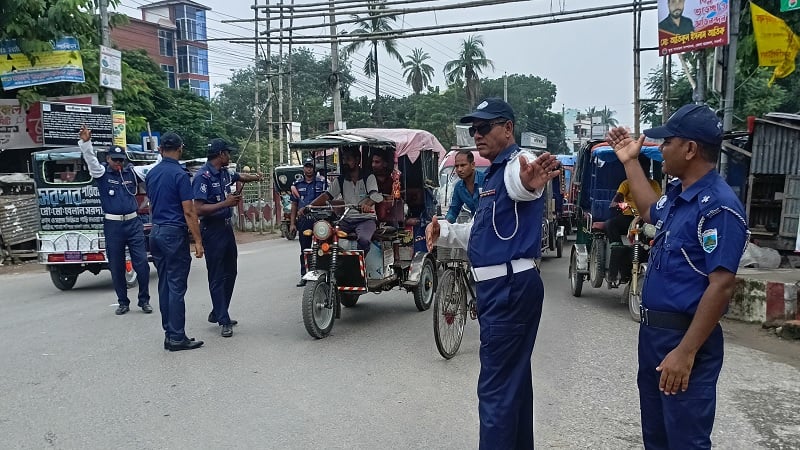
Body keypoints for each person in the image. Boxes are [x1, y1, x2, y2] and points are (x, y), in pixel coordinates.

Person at [606, 104, 749, 448]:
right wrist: (629, 161)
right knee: (656, 438)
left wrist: (686, 352)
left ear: (690, 149)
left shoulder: (718, 207)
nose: (662, 148)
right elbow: (648, 209)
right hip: (655, 338)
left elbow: (722, 284)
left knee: (685, 441)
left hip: (685, 341)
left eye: (668, 141)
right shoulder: (680, 196)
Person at [425, 98, 561, 448]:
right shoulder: (493, 174)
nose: (477, 135)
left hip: (508, 288)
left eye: (484, 127)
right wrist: (445, 229)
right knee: (513, 385)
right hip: (504, 286)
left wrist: (531, 182)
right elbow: (482, 231)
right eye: (473, 129)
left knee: (495, 392)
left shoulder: (516, 165)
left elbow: (526, 182)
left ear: (508, 129)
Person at [78, 126, 152, 316]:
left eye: (121, 160)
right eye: (115, 160)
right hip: (113, 225)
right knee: (117, 265)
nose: (118, 163)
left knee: (142, 263)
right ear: (108, 159)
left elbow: (153, 169)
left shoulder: (132, 173)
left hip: (133, 223)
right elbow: (91, 160)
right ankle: (123, 302)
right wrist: (86, 143)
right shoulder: (101, 174)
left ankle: (144, 300)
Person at [192, 138, 262, 337]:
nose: (229, 156)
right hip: (211, 231)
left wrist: (256, 177)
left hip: (226, 229)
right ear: (221, 154)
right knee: (216, 276)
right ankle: (223, 319)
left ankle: (218, 311)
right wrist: (225, 203)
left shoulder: (225, 173)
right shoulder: (202, 177)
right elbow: (198, 209)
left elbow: (241, 176)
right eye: (228, 153)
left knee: (231, 272)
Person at [146, 132, 205, 352]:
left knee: (164, 284)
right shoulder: (180, 175)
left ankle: (169, 334)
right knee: (176, 286)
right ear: (180, 149)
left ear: (161, 149)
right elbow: (189, 211)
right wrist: (198, 241)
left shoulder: (151, 174)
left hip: (156, 232)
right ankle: (177, 336)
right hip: (173, 233)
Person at [307, 147, 383, 253]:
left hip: (365, 219)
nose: (345, 162)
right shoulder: (341, 180)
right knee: (326, 236)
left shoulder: (368, 177)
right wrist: (309, 206)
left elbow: (375, 195)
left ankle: (360, 265)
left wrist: (367, 205)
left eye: (348, 159)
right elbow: (326, 196)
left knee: (364, 240)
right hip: (346, 220)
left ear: (357, 160)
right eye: (343, 159)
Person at [604, 155, 662, 282]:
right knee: (610, 224)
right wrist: (617, 204)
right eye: (641, 168)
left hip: (646, 219)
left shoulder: (654, 184)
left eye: (646, 168)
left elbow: (658, 201)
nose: (644, 171)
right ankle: (617, 246)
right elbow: (617, 198)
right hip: (629, 217)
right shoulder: (626, 184)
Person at [290, 158, 328, 287]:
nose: (309, 169)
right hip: (304, 221)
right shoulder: (297, 185)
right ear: (303, 168)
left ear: (314, 168)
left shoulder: (322, 183)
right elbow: (294, 205)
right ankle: (304, 275)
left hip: (319, 220)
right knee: (305, 249)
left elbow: (326, 199)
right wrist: (292, 223)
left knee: (322, 247)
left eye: (311, 166)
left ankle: (323, 274)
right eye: (306, 166)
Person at [445, 149, 485, 223]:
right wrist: (444, 224)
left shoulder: (486, 180)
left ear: (472, 165)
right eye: (457, 166)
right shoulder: (458, 187)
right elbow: (453, 211)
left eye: (463, 165)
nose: (459, 169)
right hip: (476, 225)